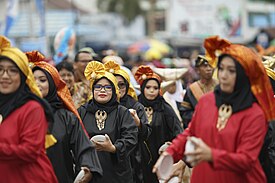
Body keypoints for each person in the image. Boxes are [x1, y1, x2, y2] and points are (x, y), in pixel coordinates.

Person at [153, 36, 275, 183]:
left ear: (244, 75)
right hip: (205, 176)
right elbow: (192, 133)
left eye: (231, 71)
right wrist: (170, 153)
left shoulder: (255, 113)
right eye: (222, 68)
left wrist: (211, 155)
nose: (223, 75)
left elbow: (246, 160)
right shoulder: (206, 101)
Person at [27, 51, 103, 183]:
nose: (37, 84)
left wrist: (87, 168)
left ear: (52, 84)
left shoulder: (67, 118)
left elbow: (84, 147)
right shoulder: (20, 114)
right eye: (32, 80)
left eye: (42, 80)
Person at [0, 36, 58, 182]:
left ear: (22, 76)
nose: (4, 76)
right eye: (0, 70)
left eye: (12, 71)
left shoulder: (32, 108)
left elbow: (30, 151)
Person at [78, 61, 138, 183]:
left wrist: (114, 148)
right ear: (92, 90)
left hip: (117, 173)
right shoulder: (82, 111)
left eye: (107, 87)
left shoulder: (122, 112)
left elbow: (131, 137)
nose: (102, 90)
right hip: (88, 172)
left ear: (114, 90)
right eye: (98, 86)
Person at [104, 60, 152, 183]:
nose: (118, 88)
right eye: (114, 84)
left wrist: (138, 123)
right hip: (106, 158)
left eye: (121, 84)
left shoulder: (136, 106)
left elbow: (147, 134)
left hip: (133, 159)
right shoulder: (101, 105)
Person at [134, 65, 183, 183]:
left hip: (160, 156)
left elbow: (178, 132)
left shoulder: (165, 108)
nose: (152, 91)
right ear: (142, 89)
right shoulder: (135, 107)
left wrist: (171, 145)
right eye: (148, 87)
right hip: (138, 158)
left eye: (155, 88)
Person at [180, 55, 218, 128]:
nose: (209, 69)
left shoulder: (221, 86)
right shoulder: (192, 89)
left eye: (211, 66)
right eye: (205, 66)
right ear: (197, 70)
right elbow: (185, 112)